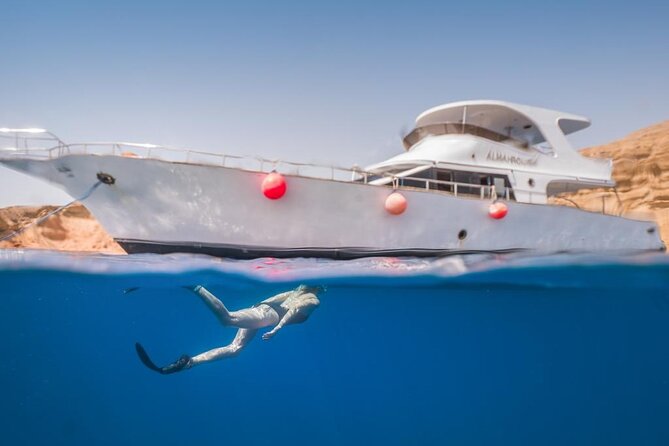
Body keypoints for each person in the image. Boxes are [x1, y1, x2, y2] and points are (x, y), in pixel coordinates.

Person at [135, 284, 323, 374]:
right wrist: (277, 329)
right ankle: (196, 287)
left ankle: (190, 362)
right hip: (268, 317)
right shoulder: (314, 300)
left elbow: (277, 299)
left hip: (263, 312)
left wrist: (260, 309)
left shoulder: (298, 290)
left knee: (235, 349)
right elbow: (292, 311)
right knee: (228, 319)